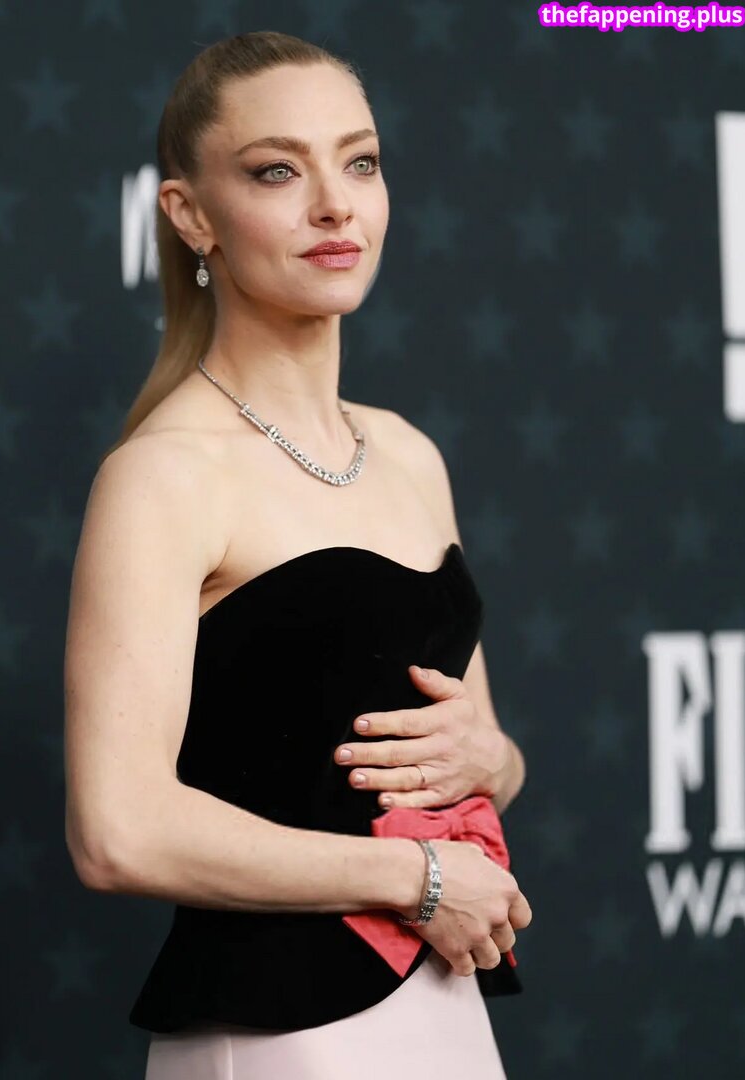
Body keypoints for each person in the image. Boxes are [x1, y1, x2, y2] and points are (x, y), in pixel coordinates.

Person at [63, 30, 531, 1080]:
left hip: (447, 1007)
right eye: (278, 171)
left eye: (359, 162)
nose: (335, 206)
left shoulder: (409, 454)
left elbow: (484, 755)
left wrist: (493, 762)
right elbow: (117, 832)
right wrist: (416, 879)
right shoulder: (164, 475)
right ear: (191, 215)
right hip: (278, 1036)